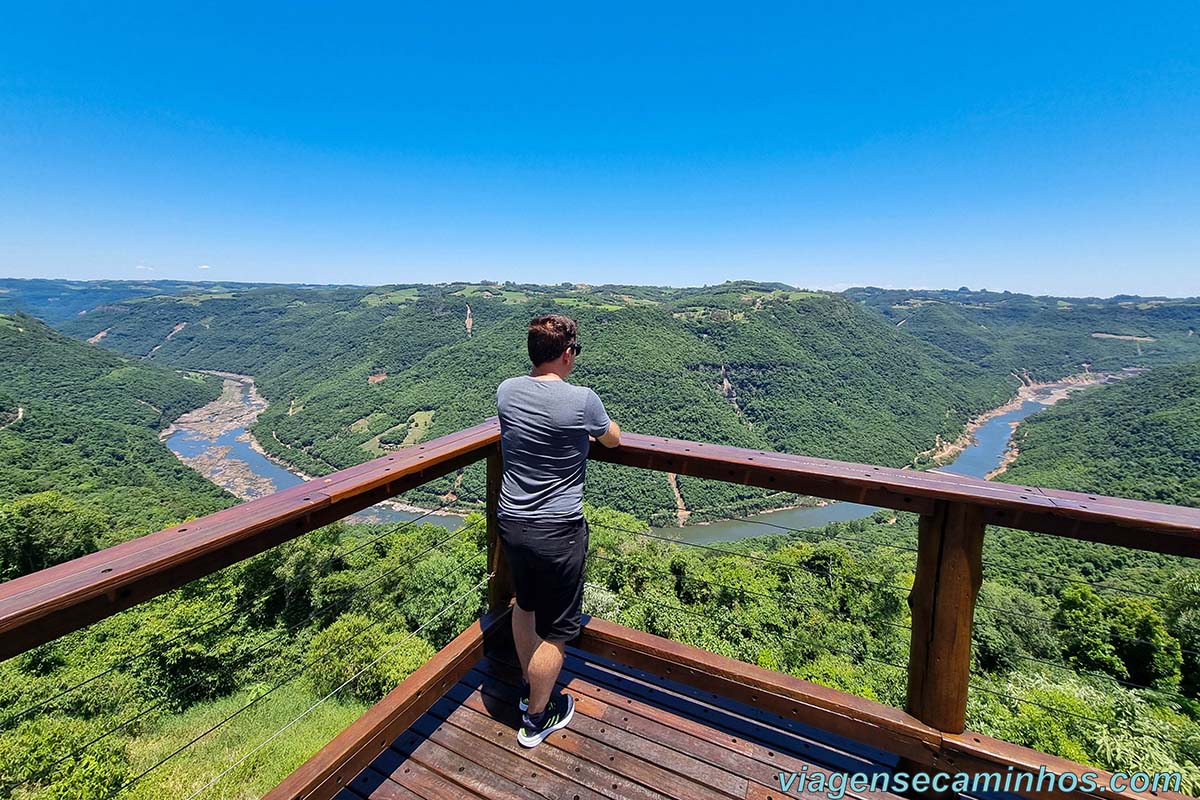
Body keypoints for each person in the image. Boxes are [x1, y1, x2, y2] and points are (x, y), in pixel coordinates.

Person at [495, 313, 621, 747]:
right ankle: (537, 717)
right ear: (567, 354)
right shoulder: (583, 400)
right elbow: (613, 440)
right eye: (576, 351)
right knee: (559, 630)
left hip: (511, 522)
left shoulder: (506, 392)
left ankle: (532, 687)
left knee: (524, 605)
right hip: (558, 529)